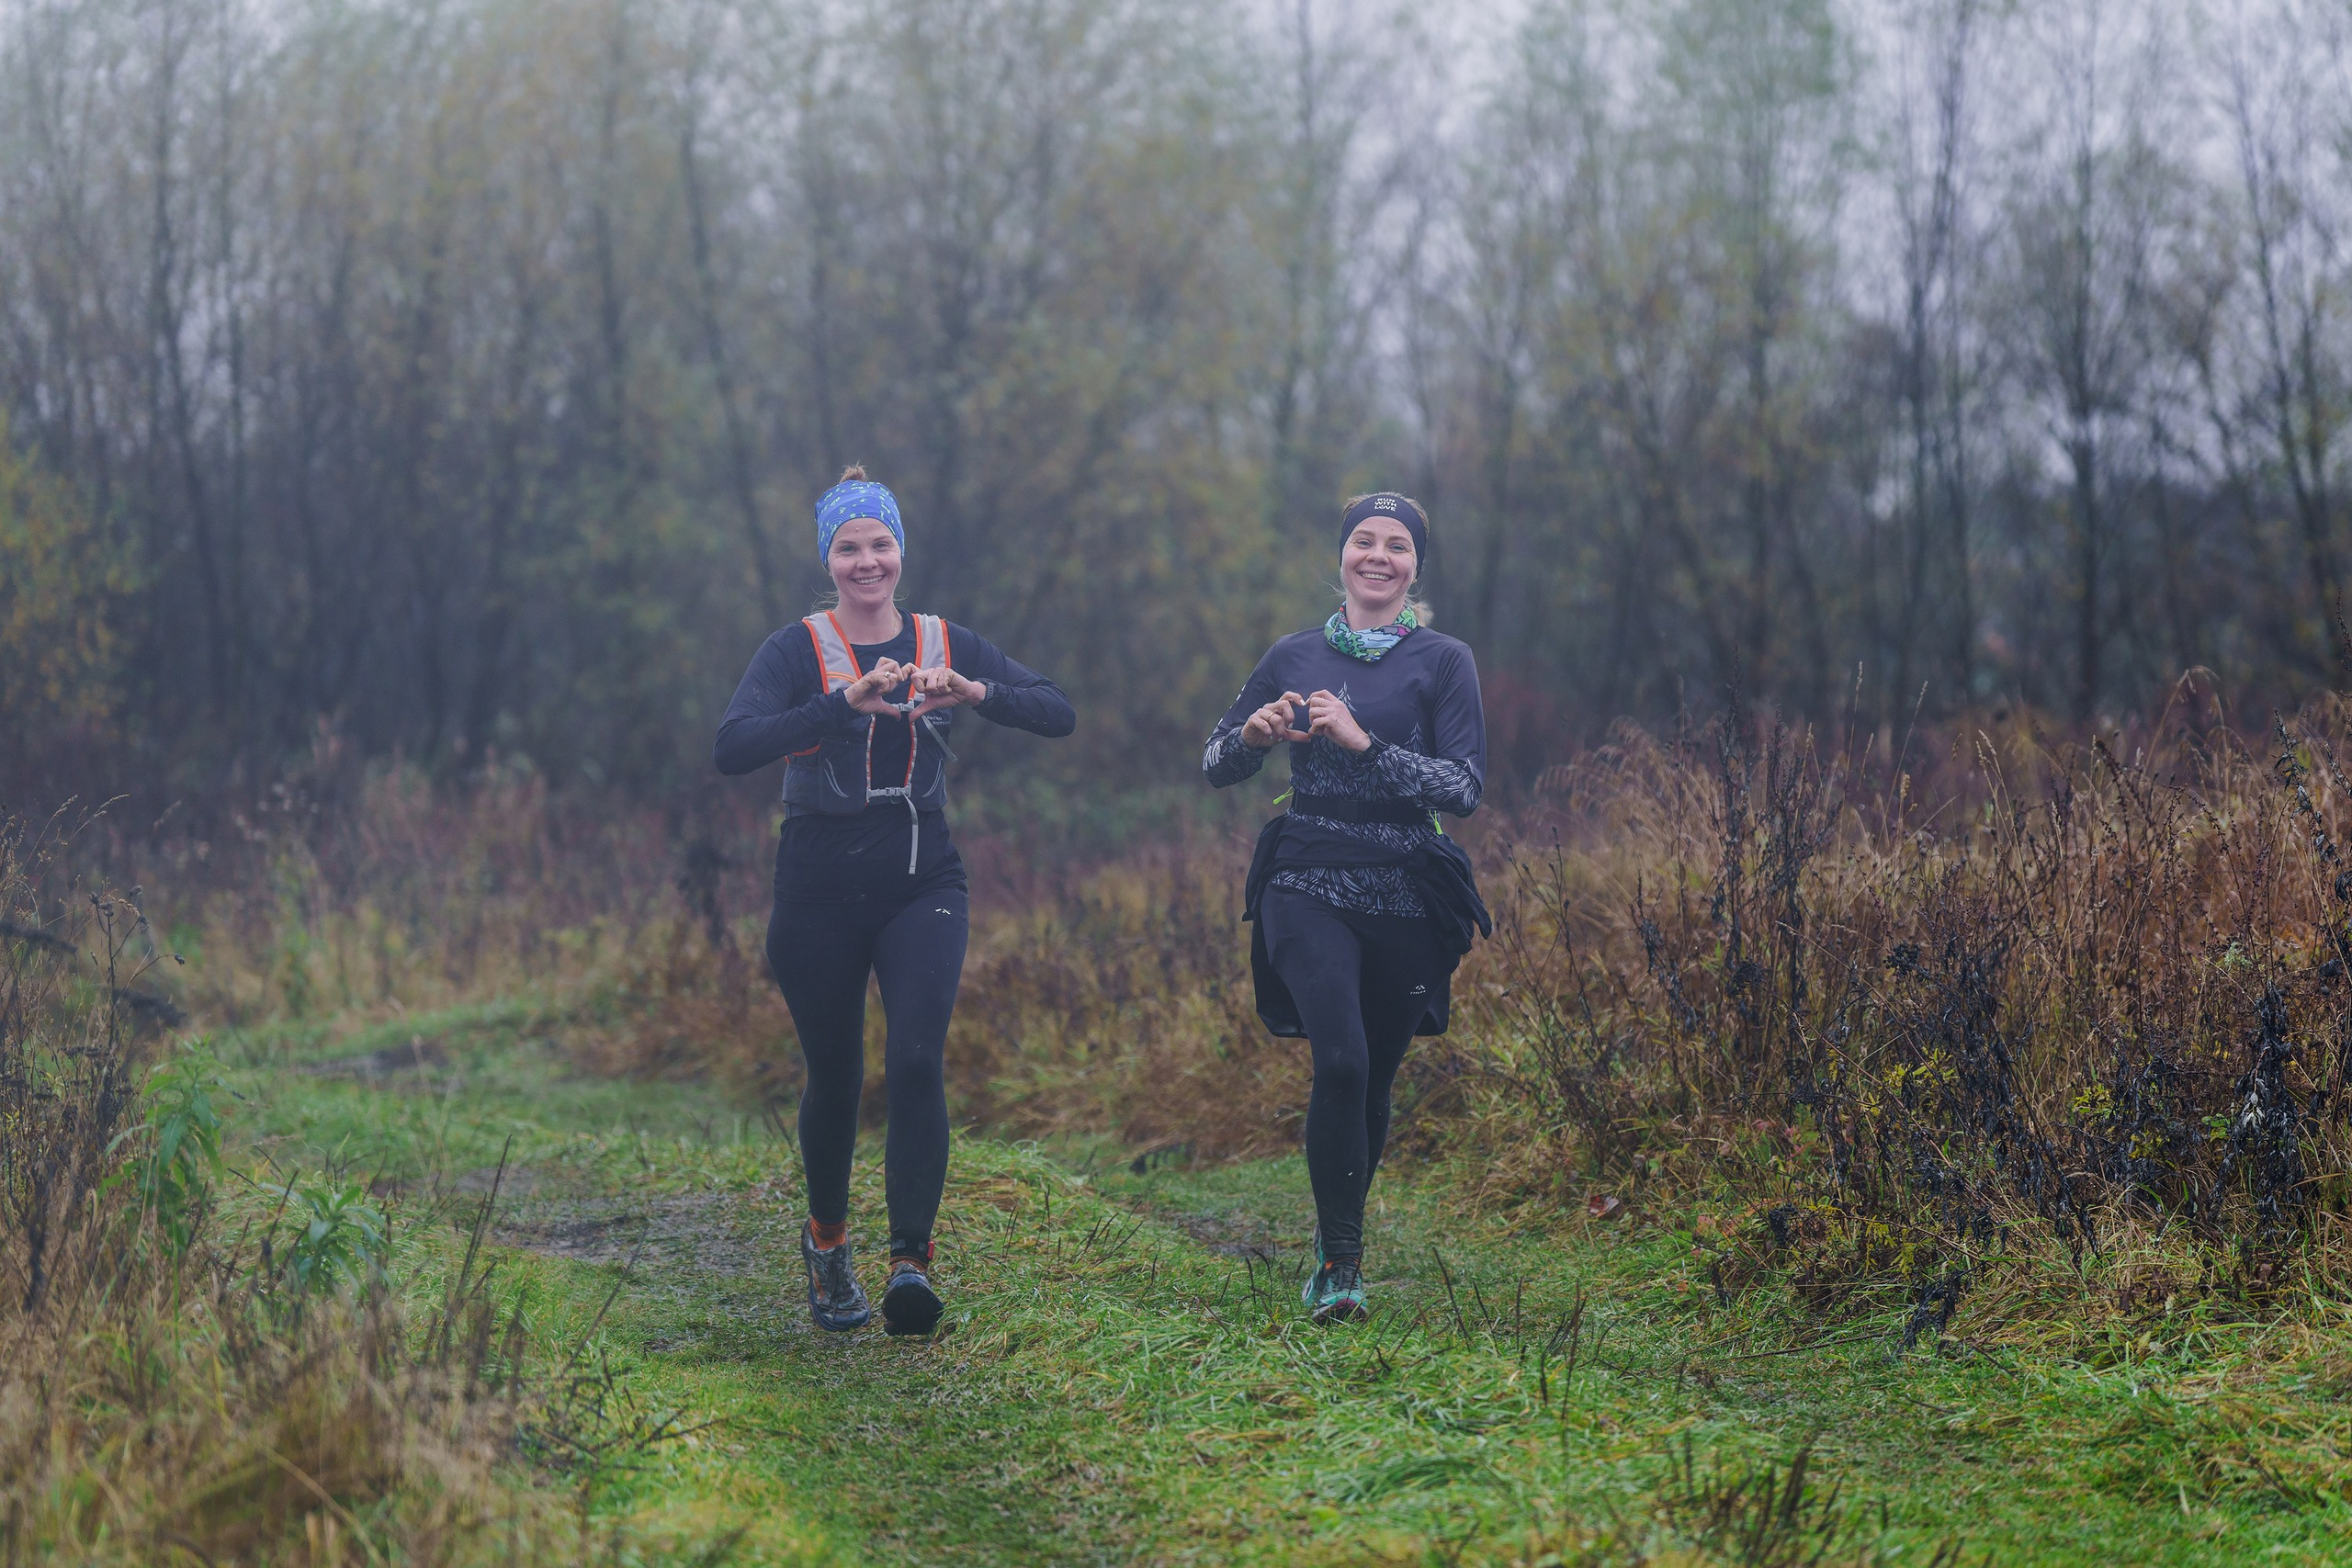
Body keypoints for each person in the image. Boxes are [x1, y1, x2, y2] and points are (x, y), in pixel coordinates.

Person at [716, 467, 1074, 1336]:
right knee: (836, 1076)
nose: (867, 561)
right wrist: (840, 705)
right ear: (829, 559)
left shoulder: (943, 639)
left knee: (916, 1059)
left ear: (901, 552)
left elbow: (1057, 710)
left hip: (923, 878)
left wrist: (975, 691)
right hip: (817, 887)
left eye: (881, 545)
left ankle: (911, 1262)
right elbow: (733, 746)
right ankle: (828, 1246)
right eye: (849, 548)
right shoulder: (794, 649)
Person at [1202, 492, 1489, 1324]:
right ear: (1341, 558)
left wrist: (1369, 744)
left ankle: (1340, 1238)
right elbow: (1216, 759)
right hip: (1308, 872)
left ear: (1414, 567)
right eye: (1363, 540)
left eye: (1396, 545)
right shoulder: (1291, 654)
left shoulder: (1444, 660)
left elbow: (1465, 788)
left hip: (1407, 886)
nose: (1377, 555)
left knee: (1376, 1078)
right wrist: (1254, 738)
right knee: (1343, 1061)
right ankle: (1340, 1266)